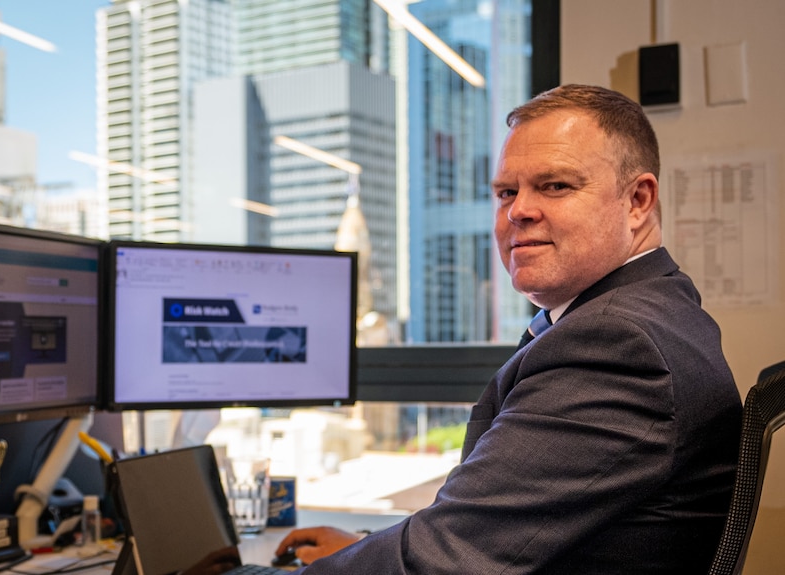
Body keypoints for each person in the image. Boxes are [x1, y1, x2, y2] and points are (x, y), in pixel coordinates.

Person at [273, 84, 743, 574]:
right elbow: (492, 522)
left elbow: (444, 563)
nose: (519, 210)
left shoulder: (617, 345)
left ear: (638, 200)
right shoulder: (658, 305)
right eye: (506, 192)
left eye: (555, 185)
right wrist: (367, 549)